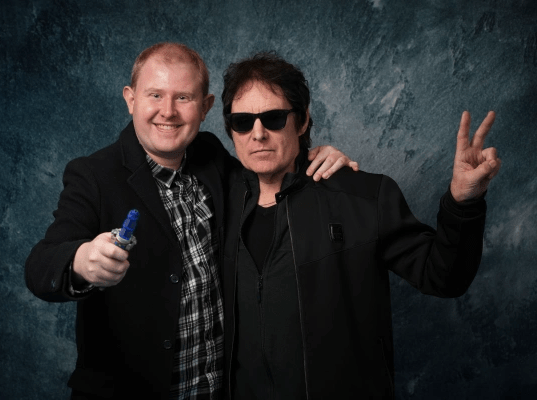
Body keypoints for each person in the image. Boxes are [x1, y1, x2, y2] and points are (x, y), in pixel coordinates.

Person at [24, 42, 357, 399]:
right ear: (131, 99)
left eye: (183, 97)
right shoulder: (93, 176)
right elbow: (40, 266)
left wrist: (310, 158)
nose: (168, 112)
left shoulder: (210, 155)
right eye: (155, 95)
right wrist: (80, 262)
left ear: (205, 107)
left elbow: (267, 174)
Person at [220, 52, 501, 399]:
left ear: (302, 120)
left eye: (274, 118)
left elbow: (443, 277)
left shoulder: (365, 197)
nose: (258, 134)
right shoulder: (218, 202)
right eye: (243, 122)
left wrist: (462, 202)